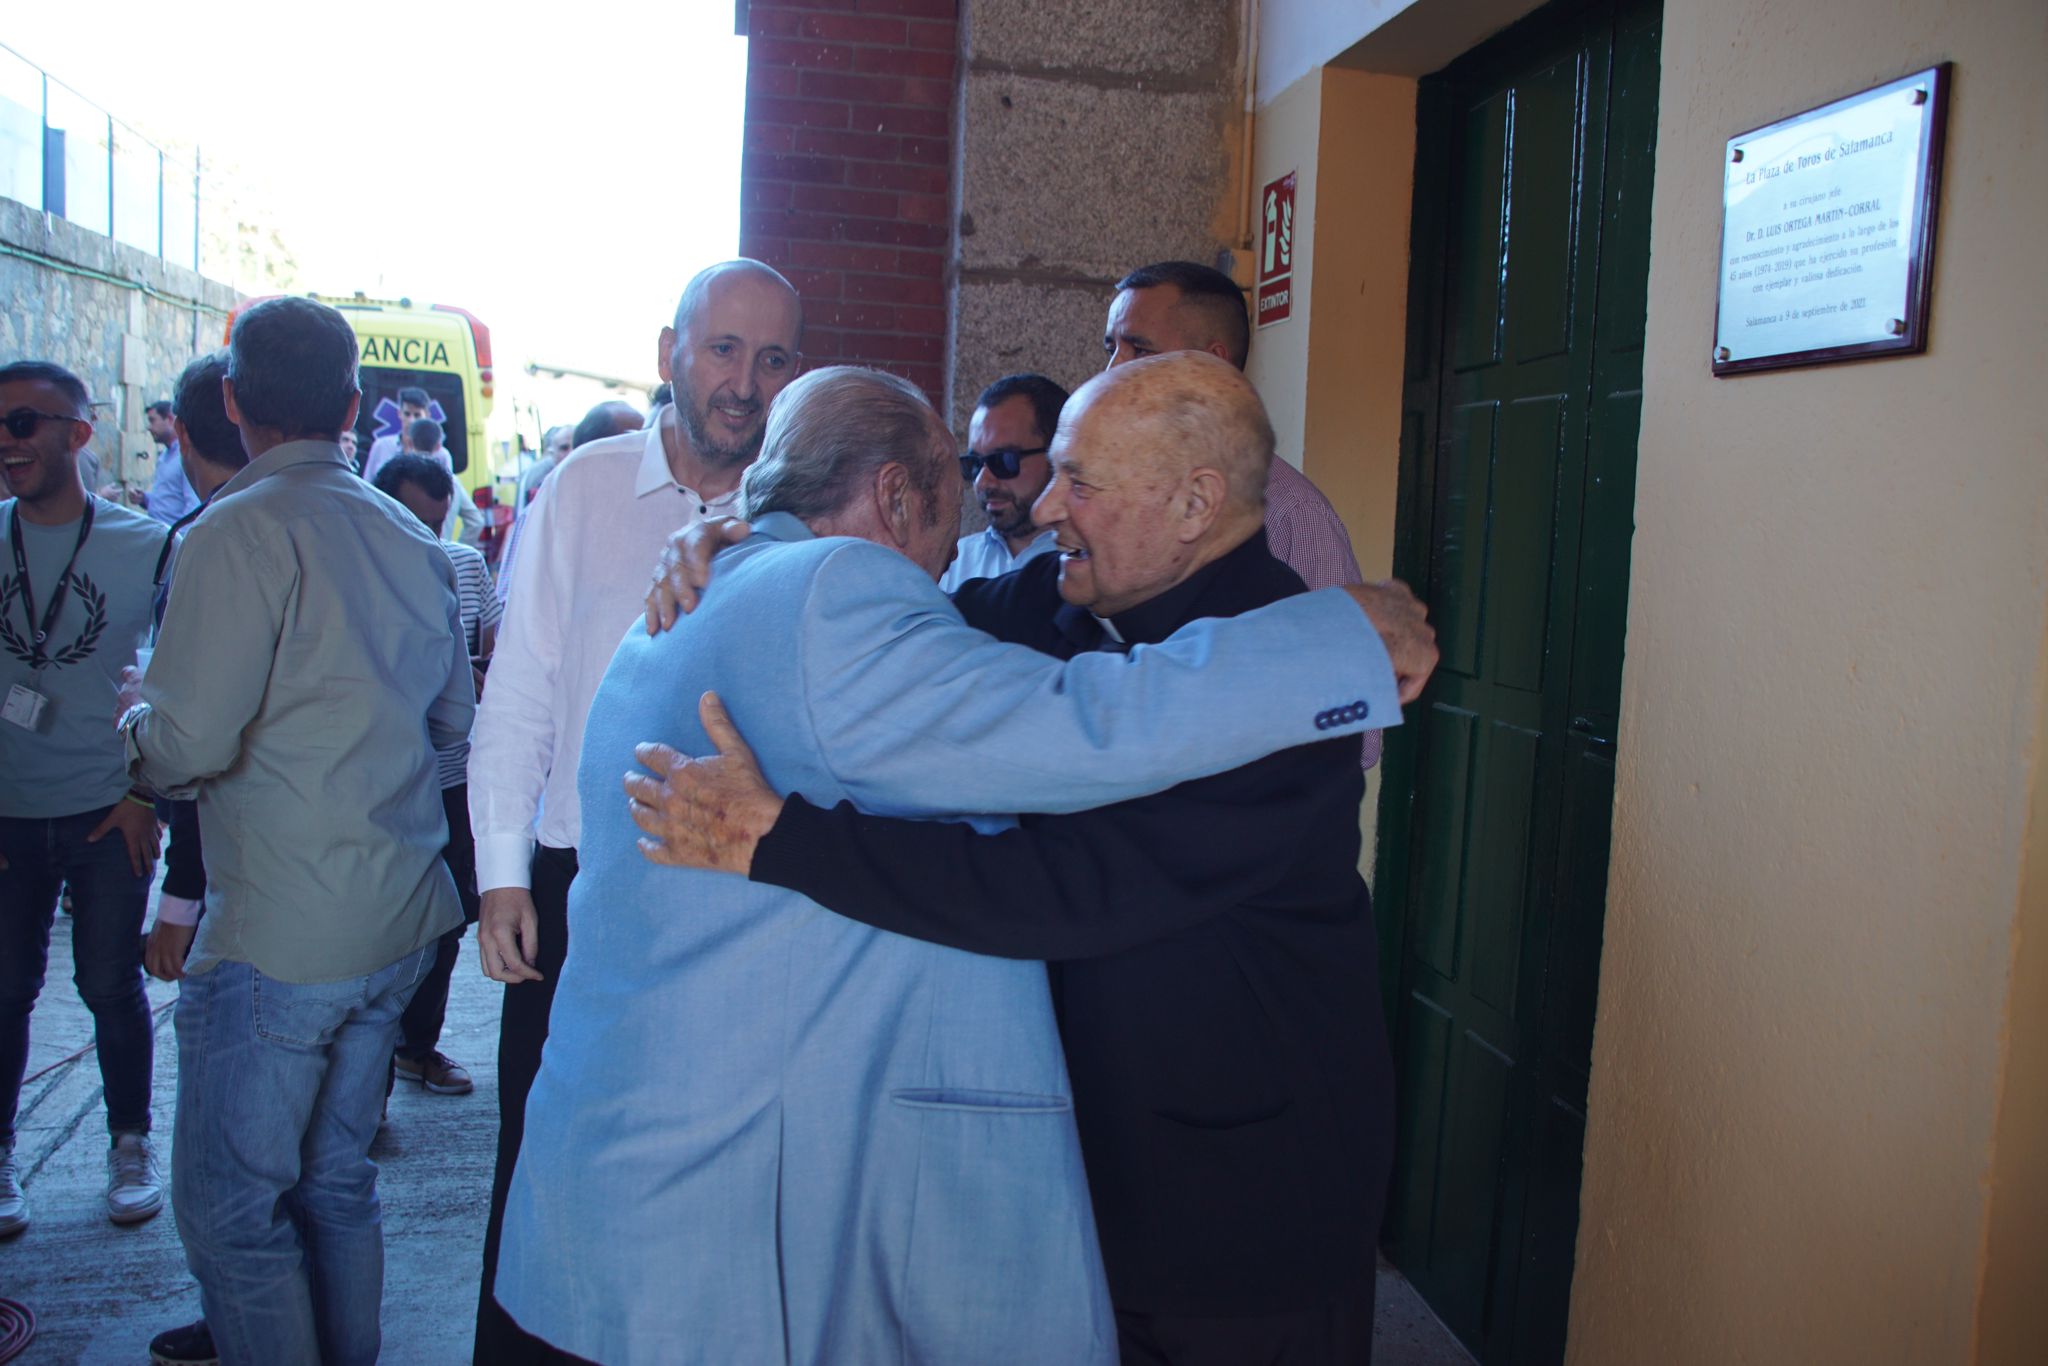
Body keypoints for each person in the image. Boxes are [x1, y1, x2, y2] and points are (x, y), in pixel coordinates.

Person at [494, 360, 1427, 1363]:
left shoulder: (1278, 678)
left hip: (1236, 1196)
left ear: (1195, 501)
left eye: (1080, 480)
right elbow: (890, 618)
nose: (1043, 504)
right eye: (1048, 472)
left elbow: (1066, 882)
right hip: (1082, 1176)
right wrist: (738, 530)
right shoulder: (1043, 595)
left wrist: (786, 839)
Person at [121, 296, 473, 1365]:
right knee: (336, 1182)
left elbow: (184, 746)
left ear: (232, 403)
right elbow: (452, 721)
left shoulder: (233, 531)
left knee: (233, 1213)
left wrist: (134, 722)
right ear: (354, 407)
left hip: (282, 936)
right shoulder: (413, 536)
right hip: (399, 915)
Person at [466, 258, 803, 1360]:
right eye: (722, 351)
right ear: (669, 353)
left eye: (771, 359)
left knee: (707, 1181)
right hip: (575, 891)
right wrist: (504, 874)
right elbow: (519, 690)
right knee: (544, 1162)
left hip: (729, 894)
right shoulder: (582, 487)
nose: (744, 383)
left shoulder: (803, 509)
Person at [0, 360, 167, 1240]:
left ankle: (129, 1142)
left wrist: (148, 795)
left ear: (79, 432)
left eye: (25, 422)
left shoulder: (149, 545)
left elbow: (179, 681)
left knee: (109, 985)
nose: (7, 440)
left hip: (108, 809)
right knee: (3, 991)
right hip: (7, 815)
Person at [1106, 259, 1383, 767]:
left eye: (1140, 349)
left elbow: (1357, 732)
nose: (1113, 371)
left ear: (1214, 364)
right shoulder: (1105, 500)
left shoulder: (1293, 516)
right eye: (1112, 348)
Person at [371, 453, 500, 1097]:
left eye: (438, 521)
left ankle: (416, 1046)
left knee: (448, 918)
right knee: (376, 923)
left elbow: (501, 645)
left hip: (452, 774)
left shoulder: (468, 566)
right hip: (378, 775)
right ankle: (366, 1080)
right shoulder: (358, 567)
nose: (429, 536)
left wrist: (485, 674)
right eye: (414, 521)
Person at [140, 351, 250, 988]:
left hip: (237, 896)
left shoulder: (206, 542)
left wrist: (179, 902)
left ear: (180, 431)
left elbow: (195, 744)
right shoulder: (380, 527)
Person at [492, 402, 646, 605]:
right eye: (636, 438)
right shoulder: (544, 513)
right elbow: (509, 601)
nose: (647, 448)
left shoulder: (647, 509)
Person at [939, 372, 1066, 591]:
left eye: (1004, 460)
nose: (983, 481)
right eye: (975, 463)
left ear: (1058, 455)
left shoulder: (1097, 566)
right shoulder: (949, 568)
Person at [144, 398, 199, 526]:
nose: (149, 427)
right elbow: (169, 497)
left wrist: (179, 541)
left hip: (174, 539)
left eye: (152, 420)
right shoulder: (164, 456)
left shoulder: (185, 456)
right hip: (159, 536)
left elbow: (192, 506)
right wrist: (144, 499)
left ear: (169, 419)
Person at [360, 384, 432, 481]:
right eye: (407, 414)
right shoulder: (381, 446)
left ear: (427, 416)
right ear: (399, 413)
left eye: (417, 415)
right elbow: (368, 483)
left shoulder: (440, 454)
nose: (411, 420)